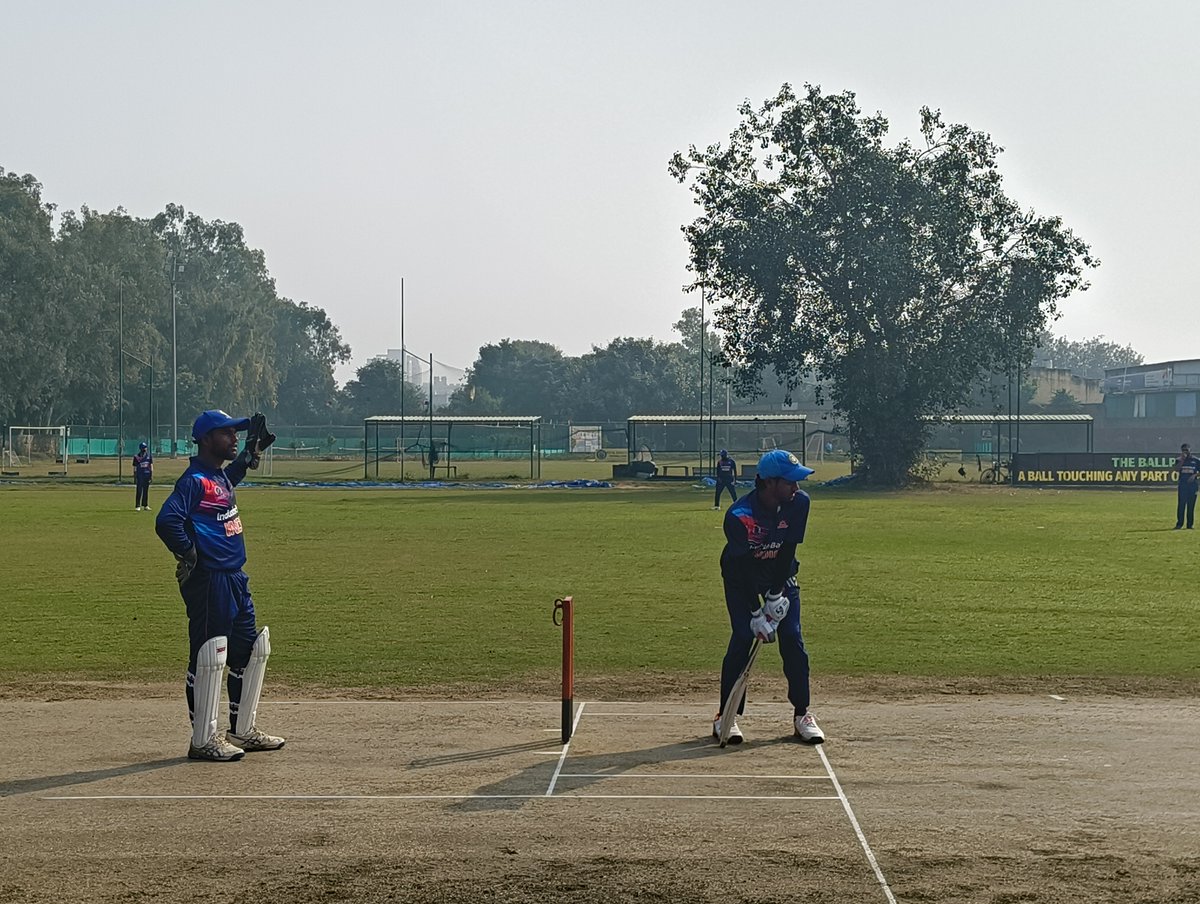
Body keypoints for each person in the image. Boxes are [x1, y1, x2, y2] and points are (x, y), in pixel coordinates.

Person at [155, 409, 284, 762]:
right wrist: (190, 555)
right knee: (209, 655)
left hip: (235, 577)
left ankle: (242, 731)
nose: (235, 438)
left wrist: (249, 456)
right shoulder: (194, 480)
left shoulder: (217, 477)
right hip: (210, 579)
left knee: (250, 650)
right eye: (228, 434)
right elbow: (167, 521)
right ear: (208, 439)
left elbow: (231, 477)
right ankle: (203, 739)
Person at [713, 448, 824, 745]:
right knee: (741, 637)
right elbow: (743, 566)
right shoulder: (739, 516)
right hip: (741, 579)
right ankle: (726, 715)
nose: (796, 487)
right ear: (769, 482)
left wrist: (775, 597)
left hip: (780, 575)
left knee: (793, 638)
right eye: (790, 482)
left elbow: (788, 549)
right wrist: (755, 614)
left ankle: (802, 714)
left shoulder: (799, 503)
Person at [1175, 442, 1200, 529]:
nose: (1185, 451)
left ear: (1190, 450)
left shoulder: (1196, 460)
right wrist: (1182, 460)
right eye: (1183, 450)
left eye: (1186, 450)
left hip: (1193, 486)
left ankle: (1190, 524)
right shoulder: (1179, 459)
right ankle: (1179, 524)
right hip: (1183, 486)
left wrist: (1194, 475)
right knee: (1181, 505)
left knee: (1191, 506)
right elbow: (1176, 469)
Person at [133, 441, 153, 511]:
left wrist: (151, 475)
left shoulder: (149, 456)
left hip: (147, 475)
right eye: (144, 448)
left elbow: (151, 465)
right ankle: (137, 506)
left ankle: (145, 505)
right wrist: (135, 477)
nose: (145, 449)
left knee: (146, 491)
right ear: (141, 448)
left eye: (145, 447)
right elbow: (135, 467)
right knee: (139, 490)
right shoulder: (136, 457)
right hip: (140, 475)